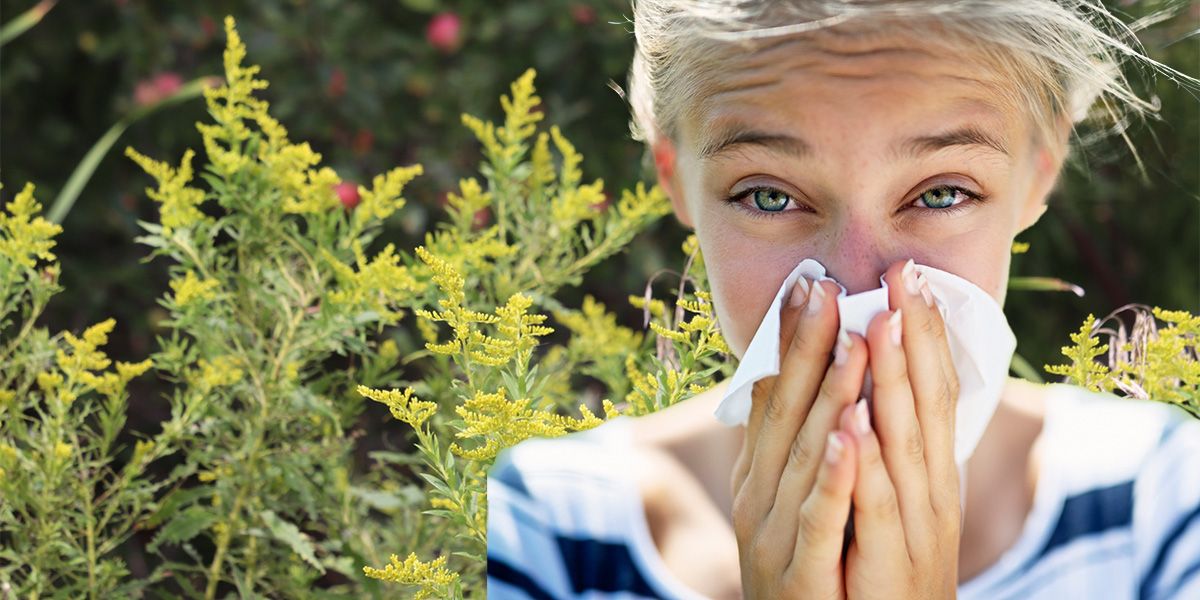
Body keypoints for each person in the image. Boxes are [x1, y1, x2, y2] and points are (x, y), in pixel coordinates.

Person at [485, 1, 1200, 598]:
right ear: (676, 178)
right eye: (769, 197)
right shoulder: (546, 529)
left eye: (941, 194)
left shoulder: (1161, 506)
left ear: (1039, 172)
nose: (857, 291)